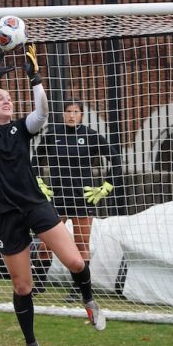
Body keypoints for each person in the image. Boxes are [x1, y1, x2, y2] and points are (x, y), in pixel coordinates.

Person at [0, 43, 106, 346]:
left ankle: (89, 302)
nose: (7, 101)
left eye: (9, 98)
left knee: (75, 260)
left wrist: (35, 78)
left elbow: (42, 113)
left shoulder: (21, 129)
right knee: (23, 287)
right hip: (6, 216)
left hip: (35, 205)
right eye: (0, 98)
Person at [33, 99, 122, 302]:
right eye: (68, 111)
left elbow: (116, 159)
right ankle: (38, 284)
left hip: (82, 199)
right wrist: (39, 182)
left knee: (81, 245)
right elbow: (34, 161)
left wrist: (105, 187)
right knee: (46, 244)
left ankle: (78, 290)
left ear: (82, 115)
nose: (72, 115)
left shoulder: (90, 136)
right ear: (63, 114)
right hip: (58, 198)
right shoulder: (53, 135)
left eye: (76, 111)